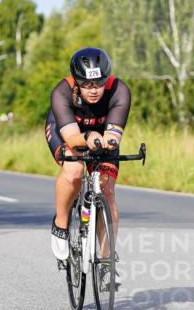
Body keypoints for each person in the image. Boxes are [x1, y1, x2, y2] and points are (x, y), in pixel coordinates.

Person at [45, 47, 131, 280]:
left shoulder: (119, 90)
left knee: (106, 190)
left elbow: (114, 134)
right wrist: (88, 137)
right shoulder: (61, 92)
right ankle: (61, 224)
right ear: (76, 82)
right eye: (87, 85)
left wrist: (109, 141)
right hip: (68, 130)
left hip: (100, 135)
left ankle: (106, 260)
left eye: (99, 84)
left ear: (107, 79)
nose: (94, 91)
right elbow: (73, 138)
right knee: (74, 169)